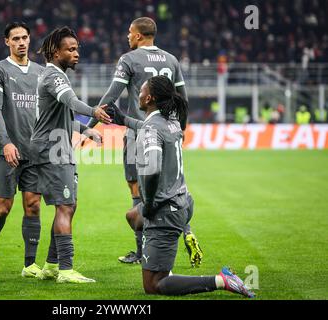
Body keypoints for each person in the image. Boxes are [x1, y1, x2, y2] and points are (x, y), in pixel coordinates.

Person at [108, 75, 254, 298]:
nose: (137, 94)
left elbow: (154, 168)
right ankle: (164, 256)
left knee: (154, 285)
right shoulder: (171, 121)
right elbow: (146, 125)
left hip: (163, 209)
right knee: (132, 217)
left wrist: (148, 204)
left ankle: (222, 280)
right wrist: (123, 119)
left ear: (149, 98)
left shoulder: (152, 128)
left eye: (141, 91)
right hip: (183, 201)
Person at [88, 17, 202, 266]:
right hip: (169, 132)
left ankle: (142, 252)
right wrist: (179, 129)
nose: (127, 36)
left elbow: (111, 96)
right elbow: (183, 98)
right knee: (170, 189)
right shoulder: (171, 60)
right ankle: (187, 229)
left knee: (138, 192)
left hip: (139, 132)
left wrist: (89, 125)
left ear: (139, 36)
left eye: (130, 32)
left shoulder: (129, 59)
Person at [30, 26, 111, 284]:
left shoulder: (56, 75)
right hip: (51, 149)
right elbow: (72, 103)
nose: (77, 54)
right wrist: (93, 111)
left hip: (56, 146)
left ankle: (52, 266)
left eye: (77, 49)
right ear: (56, 52)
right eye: (71, 49)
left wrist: (87, 131)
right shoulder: (54, 77)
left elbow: (63, 116)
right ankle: (66, 269)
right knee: (65, 206)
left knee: (68, 205)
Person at [0, 22, 46, 278]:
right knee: (2, 210)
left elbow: (51, 111)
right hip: (5, 150)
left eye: (25, 38)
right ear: (6, 41)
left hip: (34, 152)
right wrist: (6, 142)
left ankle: (29, 264)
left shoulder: (42, 73)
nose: (21, 42)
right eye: (15, 38)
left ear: (30, 40)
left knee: (33, 206)